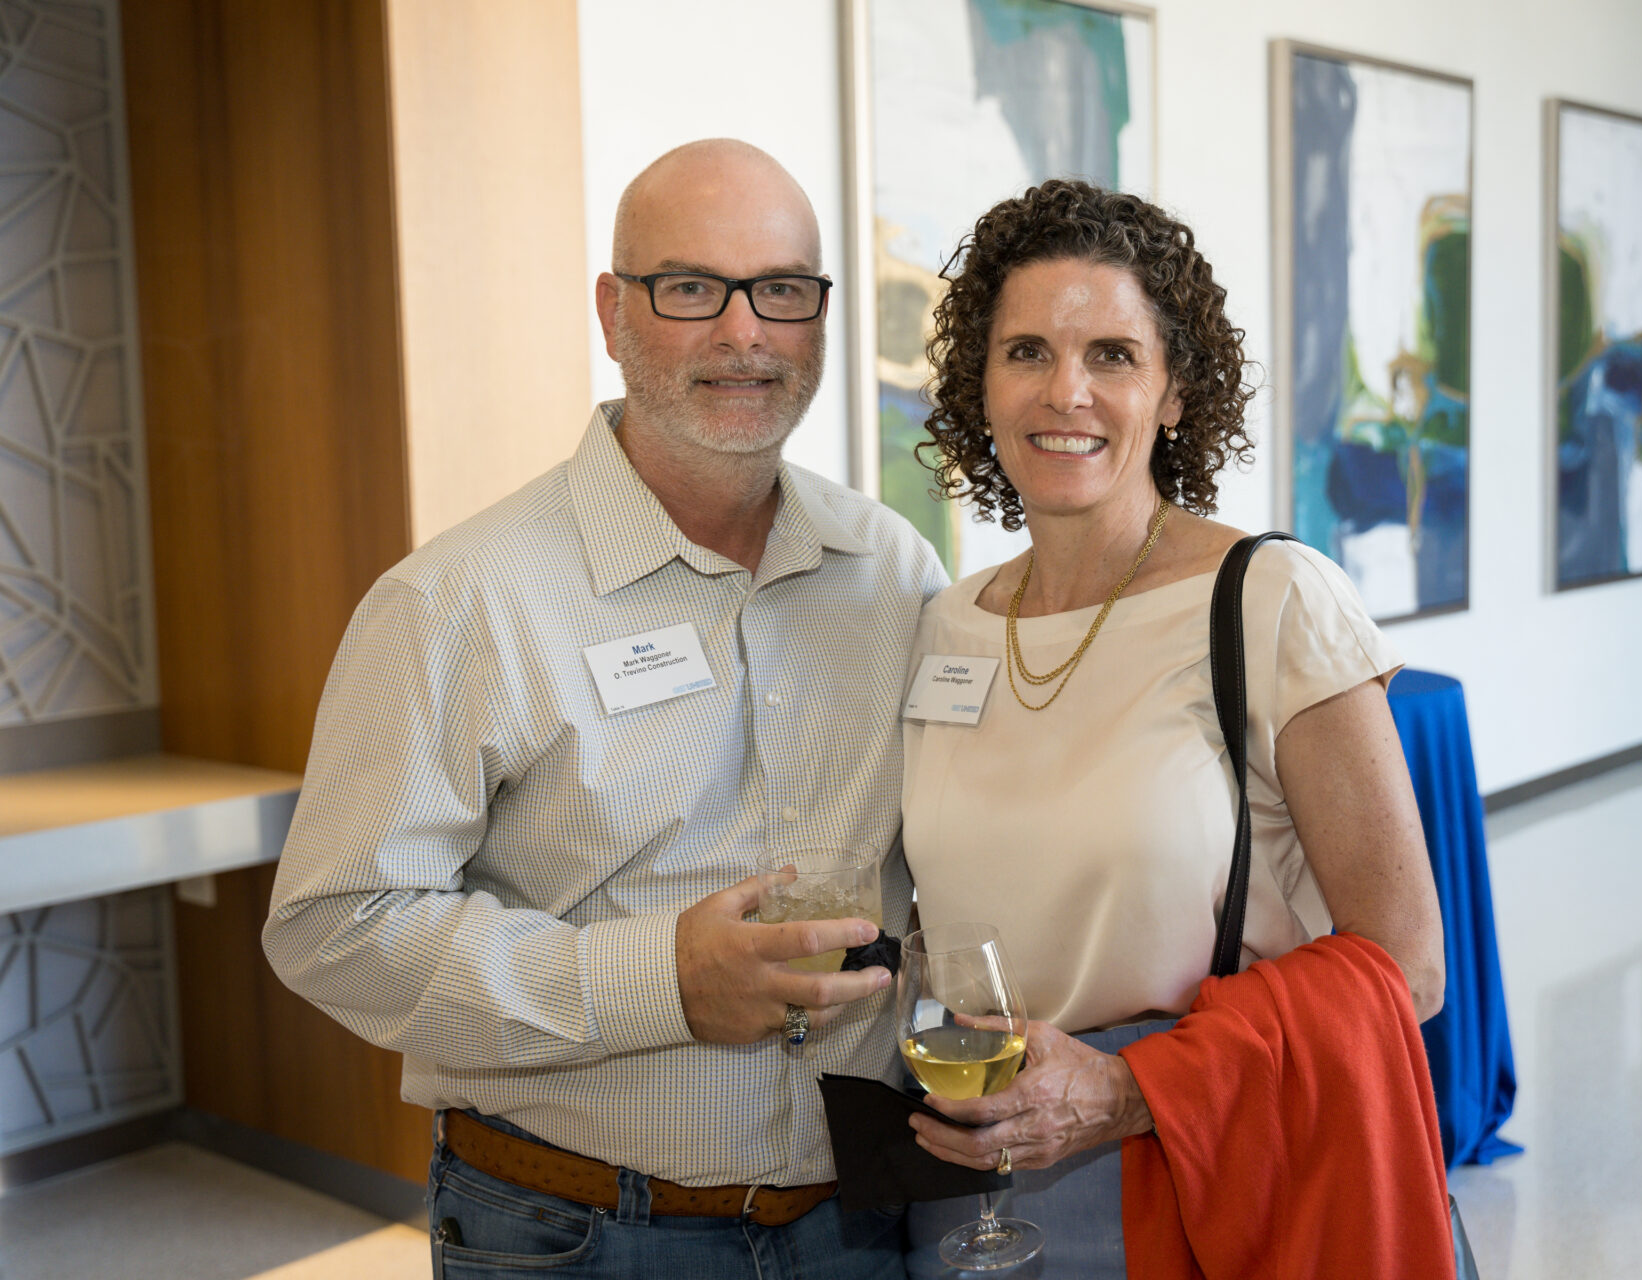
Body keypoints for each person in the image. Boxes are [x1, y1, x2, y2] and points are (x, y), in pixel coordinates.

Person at [262, 139, 946, 1279]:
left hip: (855, 1220)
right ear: (612, 310)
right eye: (690, 289)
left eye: (781, 289)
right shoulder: (459, 599)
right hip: (576, 1231)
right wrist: (658, 978)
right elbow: (335, 924)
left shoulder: (890, 568)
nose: (744, 333)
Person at [897, 180, 1457, 1277]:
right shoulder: (947, 623)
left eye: (1112, 353)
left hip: (1197, 1160)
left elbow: (1411, 962)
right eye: (1025, 352)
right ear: (980, 383)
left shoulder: (1270, 598)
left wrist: (1126, 1090)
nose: (1067, 391)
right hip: (971, 1172)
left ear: (1174, 393)